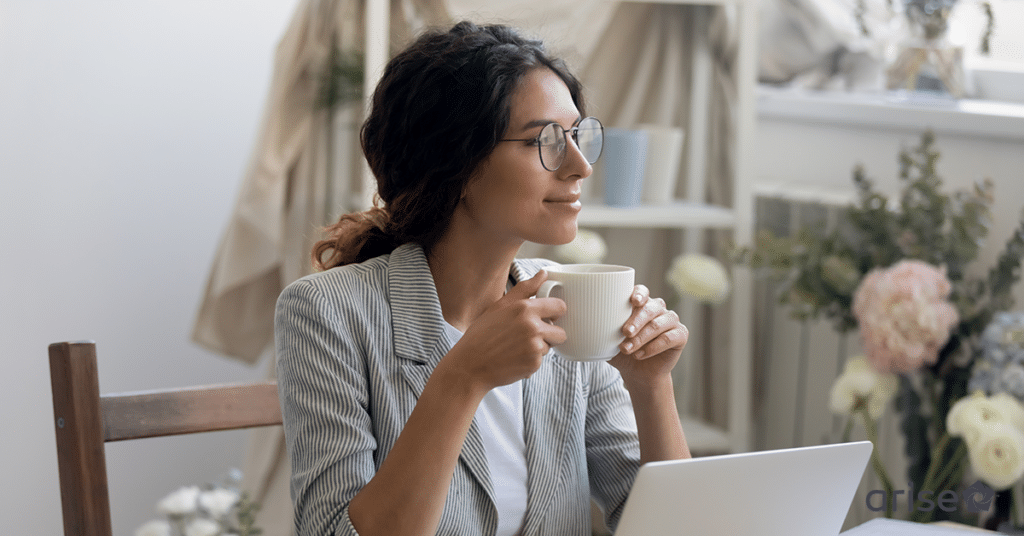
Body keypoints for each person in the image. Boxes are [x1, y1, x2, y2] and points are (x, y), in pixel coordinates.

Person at [275, 21, 691, 536]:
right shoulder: (327, 312)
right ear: (457, 161)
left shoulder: (568, 300)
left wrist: (651, 385)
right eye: (547, 141)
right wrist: (461, 378)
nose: (581, 167)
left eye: (579, 137)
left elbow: (670, 527)